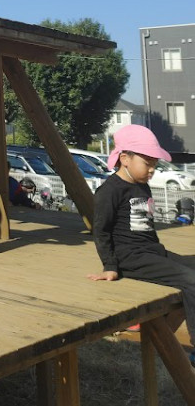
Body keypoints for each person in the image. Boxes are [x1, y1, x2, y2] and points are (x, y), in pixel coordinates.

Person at [87, 124, 195, 367]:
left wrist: (163, 255)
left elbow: (146, 227)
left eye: (155, 164)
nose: (153, 169)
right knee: (190, 280)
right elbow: (101, 231)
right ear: (125, 158)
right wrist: (110, 266)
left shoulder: (142, 185)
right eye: (148, 163)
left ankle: (163, 333)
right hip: (130, 258)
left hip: (151, 253)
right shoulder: (109, 191)